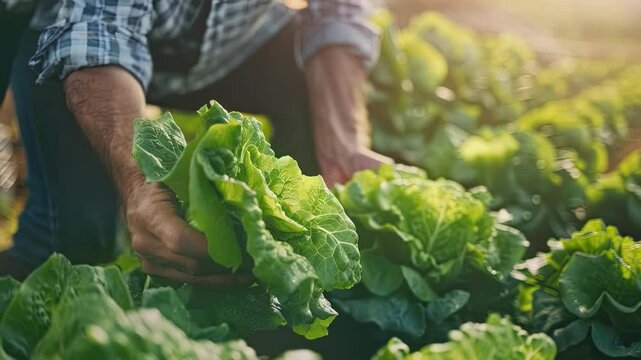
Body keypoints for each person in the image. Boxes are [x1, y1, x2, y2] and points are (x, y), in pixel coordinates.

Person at [0, 0, 391, 282]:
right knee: (68, 245)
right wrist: (140, 188)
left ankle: (290, 262)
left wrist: (343, 141)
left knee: (308, 84)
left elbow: (339, 10)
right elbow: (99, 30)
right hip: (67, 26)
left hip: (233, 37)